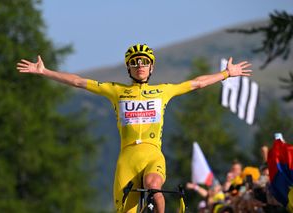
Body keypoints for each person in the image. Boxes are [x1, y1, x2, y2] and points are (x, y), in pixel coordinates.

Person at [16, 44, 252, 213]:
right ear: (129, 68)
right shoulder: (116, 90)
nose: (140, 66)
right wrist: (44, 71)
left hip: (152, 153)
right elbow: (78, 81)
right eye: (135, 63)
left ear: (151, 68)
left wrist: (226, 74)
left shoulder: (163, 91)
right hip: (127, 158)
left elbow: (198, 83)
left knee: (153, 185)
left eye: (145, 62)